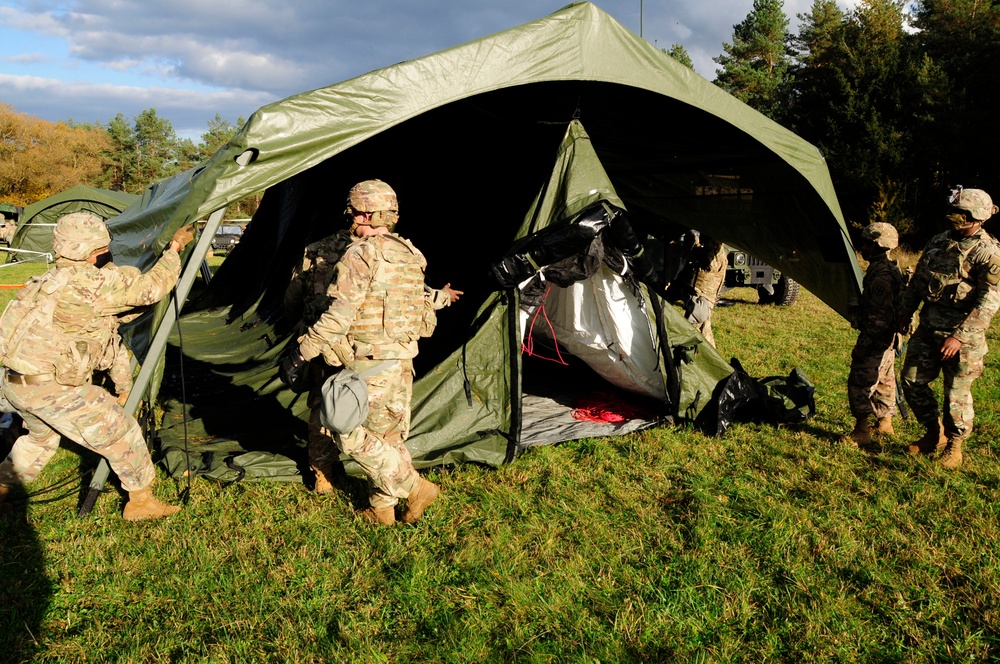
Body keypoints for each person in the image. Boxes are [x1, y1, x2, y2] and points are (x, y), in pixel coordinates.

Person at [0, 212, 195, 519]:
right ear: (94, 252)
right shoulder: (89, 284)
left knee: (41, 440)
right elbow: (151, 290)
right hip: (49, 388)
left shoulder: (50, 279)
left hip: (14, 384)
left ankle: (1, 488)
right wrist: (174, 250)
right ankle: (141, 502)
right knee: (123, 430)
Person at [290, 179, 453, 525]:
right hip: (401, 361)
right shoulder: (411, 253)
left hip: (368, 365)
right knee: (389, 438)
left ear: (363, 213)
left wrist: (303, 351)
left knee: (345, 432)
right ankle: (382, 511)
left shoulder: (359, 254)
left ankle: (414, 487)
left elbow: (339, 315)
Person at [898, 187, 1000, 468]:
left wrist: (959, 336)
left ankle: (955, 446)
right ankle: (935, 433)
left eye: (962, 213)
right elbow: (918, 281)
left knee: (956, 394)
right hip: (928, 330)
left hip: (962, 338)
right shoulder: (938, 241)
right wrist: (906, 312)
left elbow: (988, 303)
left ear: (977, 217)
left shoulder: (987, 252)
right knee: (911, 381)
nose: (954, 217)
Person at [841, 222, 907, 447]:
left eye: (867, 244)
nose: (863, 248)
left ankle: (861, 431)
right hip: (889, 341)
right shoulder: (889, 269)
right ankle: (885, 424)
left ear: (878, 245)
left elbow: (879, 318)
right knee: (885, 381)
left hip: (877, 339)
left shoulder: (881, 276)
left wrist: (865, 345)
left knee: (860, 381)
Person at [683, 235, 727, 347]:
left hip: (702, 299)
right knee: (703, 329)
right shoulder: (704, 253)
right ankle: (713, 359)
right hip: (698, 297)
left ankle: (707, 358)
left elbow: (713, 250)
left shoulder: (717, 257)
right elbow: (693, 248)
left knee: (692, 330)